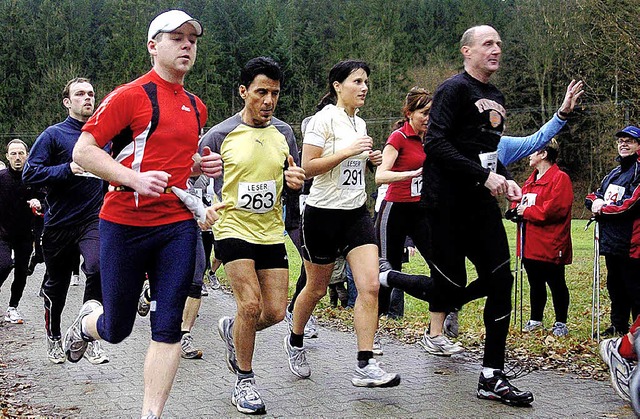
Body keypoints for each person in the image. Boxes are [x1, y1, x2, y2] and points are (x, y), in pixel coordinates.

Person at [68, 10, 222, 418]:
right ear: (153, 46)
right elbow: (83, 152)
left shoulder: (196, 105)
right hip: (124, 224)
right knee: (116, 329)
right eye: (177, 37)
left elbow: (175, 162)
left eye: (193, 38)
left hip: (175, 226)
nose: (188, 44)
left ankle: (149, 415)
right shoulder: (129, 96)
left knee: (168, 325)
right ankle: (87, 322)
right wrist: (133, 180)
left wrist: (197, 167)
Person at [419, 25, 533, 406]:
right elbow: (434, 144)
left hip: (481, 207)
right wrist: (484, 176)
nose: (496, 49)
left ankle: (492, 375)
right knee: (450, 290)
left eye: (500, 43)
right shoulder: (453, 89)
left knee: (502, 282)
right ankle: (388, 278)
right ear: (467, 51)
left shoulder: (496, 96)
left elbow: (490, 150)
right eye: (488, 44)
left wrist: (507, 180)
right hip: (447, 206)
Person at [285, 59, 400, 388]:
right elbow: (307, 168)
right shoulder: (323, 120)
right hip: (322, 214)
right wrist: (349, 151)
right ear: (338, 86)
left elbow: (352, 169)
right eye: (357, 81)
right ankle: (294, 339)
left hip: (355, 214)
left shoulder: (359, 124)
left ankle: (365, 363)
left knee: (370, 286)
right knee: (317, 288)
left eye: (366, 82)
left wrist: (369, 160)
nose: (364, 87)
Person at [199, 56, 305, 415]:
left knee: (274, 312)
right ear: (243, 92)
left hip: (271, 231)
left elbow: (292, 174)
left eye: (274, 93)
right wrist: (203, 210)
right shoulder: (219, 135)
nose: (268, 101)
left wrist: (295, 182)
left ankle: (233, 330)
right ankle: (244, 382)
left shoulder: (285, 133)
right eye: (261, 92)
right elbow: (191, 176)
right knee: (250, 304)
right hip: (232, 228)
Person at [22, 78, 108, 365]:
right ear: (67, 102)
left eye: (91, 94)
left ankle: (88, 334)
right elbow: (30, 174)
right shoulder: (53, 135)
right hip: (59, 224)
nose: (87, 98)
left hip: (93, 219)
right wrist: (68, 168)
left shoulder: (104, 136)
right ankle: (54, 335)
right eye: (80, 94)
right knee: (56, 287)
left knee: (97, 268)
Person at [509, 139, 573, 336]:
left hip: (551, 244)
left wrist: (525, 211)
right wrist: (514, 211)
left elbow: (553, 210)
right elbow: (520, 202)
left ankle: (561, 322)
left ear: (544, 154)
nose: (529, 154)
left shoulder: (560, 178)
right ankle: (536, 319)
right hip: (529, 244)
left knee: (556, 283)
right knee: (535, 283)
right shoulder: (530, 180)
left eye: (533, 151)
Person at [586, 125, 640, 337]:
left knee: (634, 288)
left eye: (629, 140)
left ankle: (637, 333)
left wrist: (603, 209)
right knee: (615, 287)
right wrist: (595, 203)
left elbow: (631, 205)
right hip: (611, 243)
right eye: (620, 140)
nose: (623, 144)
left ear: (638, 145)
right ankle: (618, 326)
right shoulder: (614, 173)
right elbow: (593, 195)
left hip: (633, 243)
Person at [0, 139, 41, 324]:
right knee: (4, 264)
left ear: (27, 155)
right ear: (7, 156)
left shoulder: (35, 178)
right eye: (14, 154)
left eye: (21, 153)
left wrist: (39, 203)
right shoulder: (1, 178)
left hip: (26, 234)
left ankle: (12, 308)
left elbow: (47, 200)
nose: (18, 157)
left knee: (22, 272)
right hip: (2, 233)